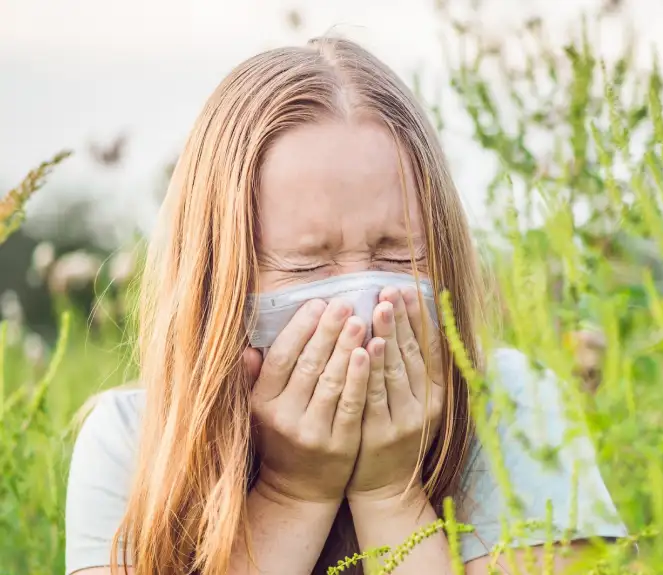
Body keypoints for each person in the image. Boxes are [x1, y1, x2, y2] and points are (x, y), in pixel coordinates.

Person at [64, 37, 626, 575]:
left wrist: (391, 495)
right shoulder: (134, 441)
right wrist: (294, 491)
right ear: (222, 281)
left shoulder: (511, 406)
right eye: (309, 267)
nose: (367, 301)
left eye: (397, 252)